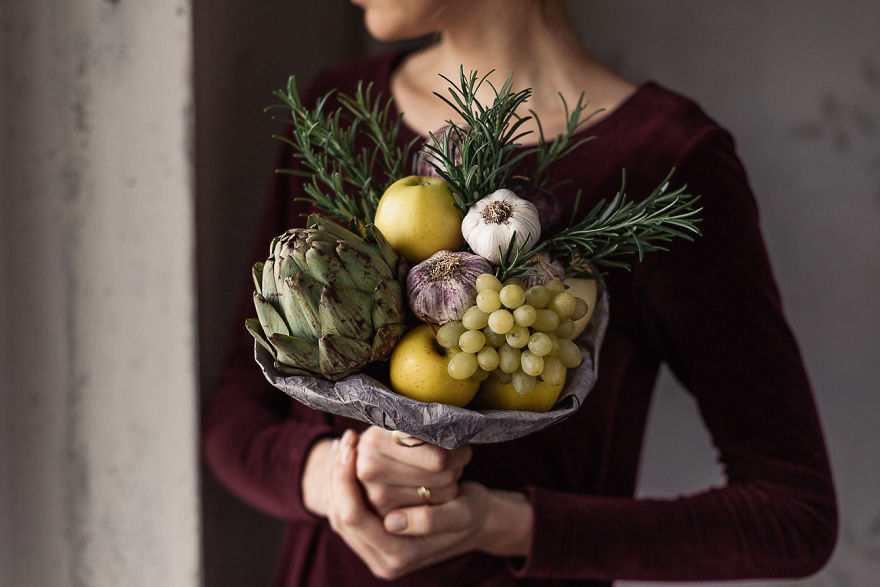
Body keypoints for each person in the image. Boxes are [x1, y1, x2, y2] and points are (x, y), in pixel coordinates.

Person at [202, 0, 838, 584]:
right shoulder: (337, 111)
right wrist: (330, 477)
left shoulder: (666, 162)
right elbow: (236, 413)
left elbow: (793, 514)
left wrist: (505, 524)